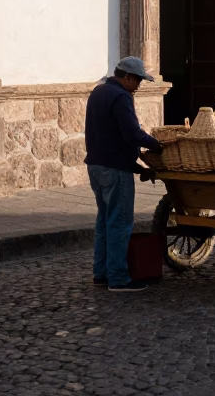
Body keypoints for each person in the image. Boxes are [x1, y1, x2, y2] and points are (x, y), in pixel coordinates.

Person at [84, 56, 163, 292]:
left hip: (97, 166)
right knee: (119, 223)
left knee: (104, 222)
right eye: (137, 81)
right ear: (127, 77)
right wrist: (157, 145)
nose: (138, 86)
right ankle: (118, 278)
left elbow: (110, 136)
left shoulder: (99, 92)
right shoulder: (120, 96)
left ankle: (101, 275)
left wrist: (138, 168)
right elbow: (131, 134)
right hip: (114, 169)